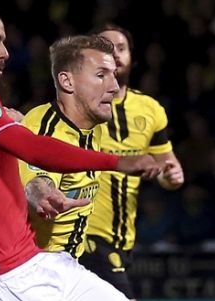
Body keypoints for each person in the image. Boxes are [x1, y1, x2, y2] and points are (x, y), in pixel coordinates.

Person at [0, 6, 159, 301]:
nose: (5, 52)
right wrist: (116, 162)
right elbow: (33, 150)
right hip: (7, 277)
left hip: (42, 264)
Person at [19, 34, 153, 260]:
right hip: (36, 267)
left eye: (113, 75)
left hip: (71, 263)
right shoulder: (46, 130)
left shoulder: (93, 125)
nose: (114, 86)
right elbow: (36, 181)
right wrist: (45, 195)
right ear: (67, 82)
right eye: (101, 76)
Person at [80, 23, 184, 301]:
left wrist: (171, 176)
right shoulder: (76, 104)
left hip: (123, 238)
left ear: (131, 58)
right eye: (105, 49)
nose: (114, 54)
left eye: (121, 48)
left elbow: (168, 167)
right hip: (85, 234)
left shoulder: (150, 109)